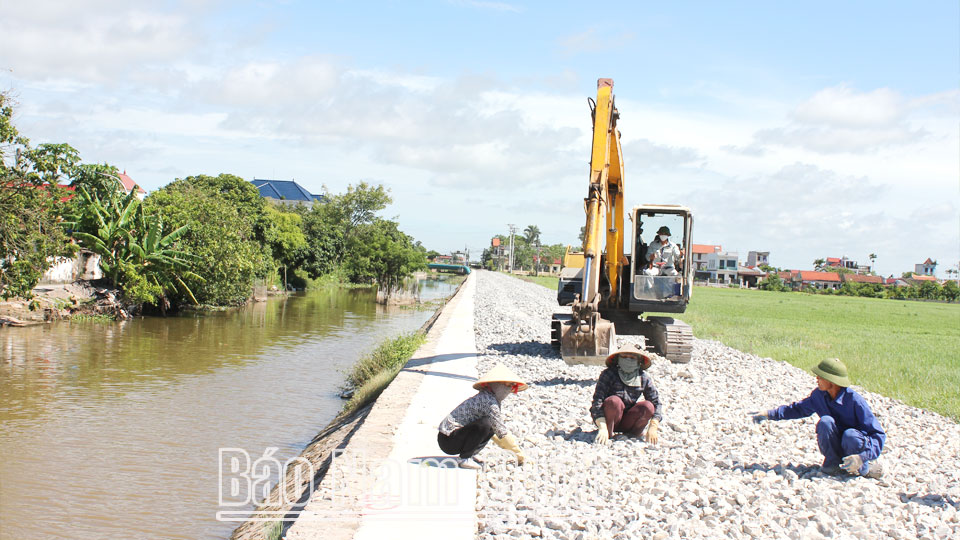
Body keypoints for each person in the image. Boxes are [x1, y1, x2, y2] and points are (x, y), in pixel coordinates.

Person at [751, 358, 885, 478]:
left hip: (854, 448)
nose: (816, 379)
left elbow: (878, 435)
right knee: (825, 422)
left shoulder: (855, 401)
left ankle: (865, 469)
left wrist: (862, 457)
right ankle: (832, 465)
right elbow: (797, 409)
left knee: (850, 435)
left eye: (820, 377)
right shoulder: (818, 395)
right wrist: (769, 414)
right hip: (837, 445)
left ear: (832, 381)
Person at [438, 364, 528, 469]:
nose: (509, 389)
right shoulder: (489, 401)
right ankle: (464, 458)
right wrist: (518, 454)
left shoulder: (490, 397)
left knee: (491, 425)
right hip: (448, 440)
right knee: (486, 423)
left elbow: (495, 430)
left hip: (454, 437)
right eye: (507, 385)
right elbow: (501, 432)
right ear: (497, 385)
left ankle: (470, 454)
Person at [590, 344, 661, 445]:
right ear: (618, 359)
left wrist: (653, 426)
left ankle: (631, 435)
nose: (628, 360)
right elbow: (597, 401)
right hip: (610, 419)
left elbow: (656, 403)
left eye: (632, 358)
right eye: (624, 357)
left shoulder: (643, 378)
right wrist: (602, 427)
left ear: (638, 361)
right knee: (614, 401)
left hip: (629, 420)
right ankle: (608, 434)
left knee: (648, 406)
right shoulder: (609, 374)